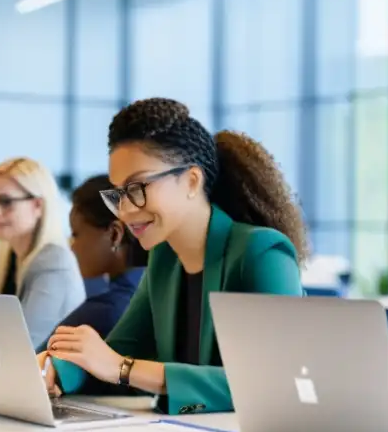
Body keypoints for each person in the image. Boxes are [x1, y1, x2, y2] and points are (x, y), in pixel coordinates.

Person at [41, 98, 307, 415]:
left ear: (192, 181)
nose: (125, 211)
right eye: (118, 194)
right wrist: (58, 367)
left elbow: (274, 381)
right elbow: (118, 352)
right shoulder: (165, 259)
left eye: (137, 187)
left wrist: (122, 368)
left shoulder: (262, 253)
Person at [0, 158, 84, 351]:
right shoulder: (4, 253)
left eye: (6, 202)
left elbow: (22, 344)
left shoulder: (54, 261)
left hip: (49, 379)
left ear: (38, 205)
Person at [61, 175, 149, 338]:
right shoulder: (153, 290)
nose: (72, 247)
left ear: (114, 234)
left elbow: (31, 359)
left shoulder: (104, 311)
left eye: (76, 234)